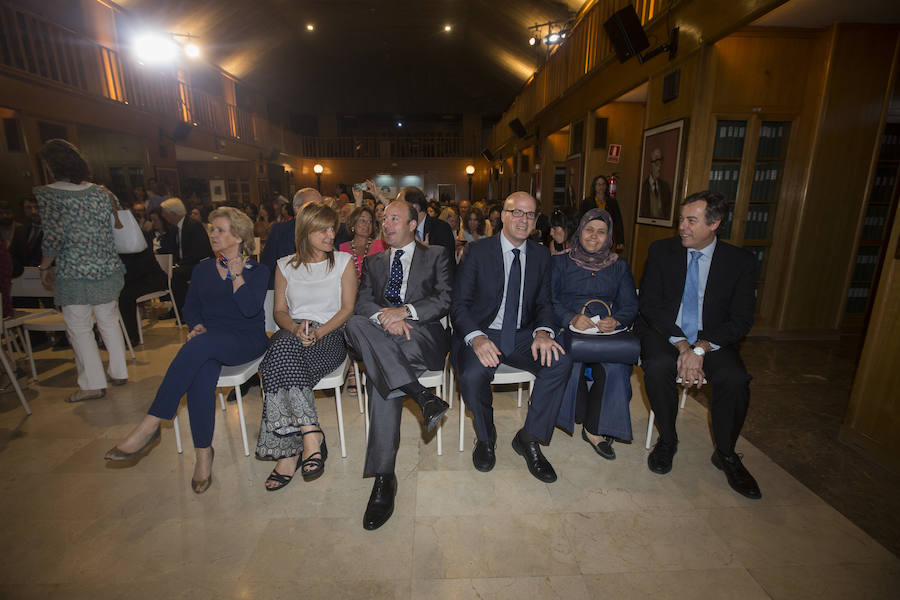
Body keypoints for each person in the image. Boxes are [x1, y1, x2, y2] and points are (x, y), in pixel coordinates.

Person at [104, 207, 269, 493]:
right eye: (211, 228)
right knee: (201, 374)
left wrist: (237, 275)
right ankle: (204, 454)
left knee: (199, 350)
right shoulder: (204, 269)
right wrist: (196, 325)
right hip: (211, 340)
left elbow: (250, 309)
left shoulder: (258, 270)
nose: (212, 234)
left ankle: (150, 424)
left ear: (239, 236)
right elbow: (191, 307)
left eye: (219, 229)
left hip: (246, 340)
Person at [637, 190, 761, 499]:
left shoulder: (740, 262)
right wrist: (681, 345)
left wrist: (701, 348)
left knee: (735, 379)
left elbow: (742, 319)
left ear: (715, 223)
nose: (682, 227)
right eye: (681, 219)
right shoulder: (661, 251)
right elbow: (650, 305)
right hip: (668, 333)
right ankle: (668, 440)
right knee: (656, 367)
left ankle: (727, 453)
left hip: (713, 340)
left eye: (691, 221)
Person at [343, 197, 452, 531]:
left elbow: (446, 298)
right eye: (384, 219)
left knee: (381, 382)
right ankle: (422, 396)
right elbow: (362, 303)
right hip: (382, 335)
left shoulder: (436, 255)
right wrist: (382, 317)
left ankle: (383, 480)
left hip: (420, 335)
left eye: (394, 219)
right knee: (353, 323)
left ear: (412, 224)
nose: (386, 224)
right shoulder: (375, 262)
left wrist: (404, 313)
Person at [451, 191, 571, 483]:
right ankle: (486, 436)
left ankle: (529, 438)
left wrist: (543, 332)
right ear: (503, 215)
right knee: (472, 375)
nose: (523, 219)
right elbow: (459, 305)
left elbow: (545, 303)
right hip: (485, 330)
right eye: (517, 212)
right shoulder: (478, 251)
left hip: (522, 334)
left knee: (560, 361)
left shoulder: (541, 255)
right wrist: (477, 338)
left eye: (530, 214)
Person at [256, 202, 357, 488]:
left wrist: (319, 331)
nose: (330, 234)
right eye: (322, 229)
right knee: (284, 346)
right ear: (305, 230)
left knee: (277, 363)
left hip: (331, 334)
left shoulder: (343, 262)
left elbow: (348, 309)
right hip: (293, 331)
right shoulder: (284, 265)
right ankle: (310, 432)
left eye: (332, 228)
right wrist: (296, 328)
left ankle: (288, 454)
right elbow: (279, 312)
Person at [33, 139, 128, 402]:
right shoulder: (100, 192)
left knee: (79, 326)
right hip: (106, 266)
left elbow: (53, 236)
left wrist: (44, 266)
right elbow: (114, 225)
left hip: (74, 270)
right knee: (109, 320)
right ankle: (118, 371)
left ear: (52, 166)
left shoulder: (49, 194)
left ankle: (92, 384)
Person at [551, 209, 639, 459]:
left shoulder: (619, 267)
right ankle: (578, 413)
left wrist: (617, 320)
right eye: (589, 229)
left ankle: (594, 429)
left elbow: (630, 305)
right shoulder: (559, 262)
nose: (594, 236)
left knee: (616, 368)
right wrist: (571, 318)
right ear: (580, 231)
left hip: (606, 334)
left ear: (609, 236)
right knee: (567, 363)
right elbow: (549, 301)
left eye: (601, 232)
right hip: (567, 330)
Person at [161, 197, 214, 314]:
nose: (163, 216)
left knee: (175, 275)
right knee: (167, 273)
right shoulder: (174, 228)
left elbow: (200, 251)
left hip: (199, 263)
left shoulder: (193, 226)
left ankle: (184, 310)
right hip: (185, 264)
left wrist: (179, 265)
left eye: (164, 213)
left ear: (173, 213)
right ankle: (177, 308)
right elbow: (173, 250)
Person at [404, 187, 455, 275]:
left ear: (414, 208)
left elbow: (446, 266)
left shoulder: (441, 228)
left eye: (401, 206)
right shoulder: (405, 229)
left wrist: (426, 253)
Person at [580, 175, 625, 251]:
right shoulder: (587, 202)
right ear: (594, 186)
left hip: (606, 236)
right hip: (591, 235)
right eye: (598, 184)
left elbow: (618, 222)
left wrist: (620, 241)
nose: (601, 187)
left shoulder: (612, 202)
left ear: (607, 186)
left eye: (603, 184)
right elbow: (581, 221)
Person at [339, 206, 385, 278]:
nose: (367, 224)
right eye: (362, 220)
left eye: (370, 221)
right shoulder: (342, 248)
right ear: (353, 224)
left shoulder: (381, 246)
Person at [9, 195, 43, 276]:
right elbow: (11, 255)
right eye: (28, 208)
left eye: (37, 207)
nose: (33, 211)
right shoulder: (20, 231)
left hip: (48, 277)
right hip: (22, 278)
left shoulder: (55, 232)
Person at [640, 148, 673, 220]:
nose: (659, 167)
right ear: (650, 165)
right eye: (656, 163)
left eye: (661, 162)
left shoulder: (665, 187)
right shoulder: (642, 188)